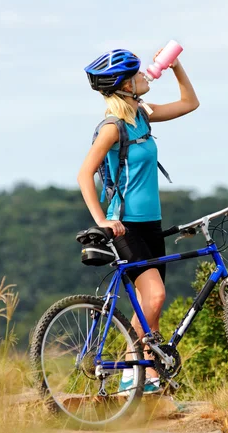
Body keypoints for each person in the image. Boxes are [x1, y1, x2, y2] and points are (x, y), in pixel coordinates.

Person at [77, 48, 199, 393]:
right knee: (155, 296)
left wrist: (175, 66)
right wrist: (103, 221)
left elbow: (190, 103)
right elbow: (85, 175)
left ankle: (144, 374)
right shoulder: (112, 129)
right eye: (138, 74)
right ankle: (133, 371)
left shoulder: (142, 116)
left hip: (151, 223)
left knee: (151, 307)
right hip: (124, 224)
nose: (146, 76)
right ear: (126, 85)